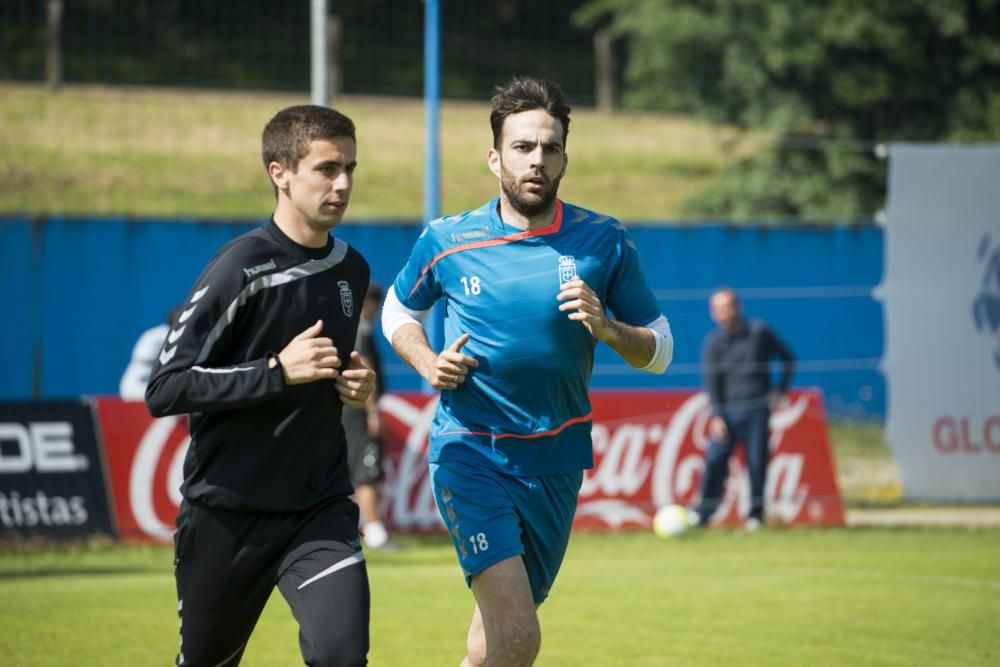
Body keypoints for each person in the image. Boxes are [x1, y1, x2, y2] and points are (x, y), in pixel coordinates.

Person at [381, 76, 673, 666]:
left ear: (565, 156)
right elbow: (397, 309)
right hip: (471, 453)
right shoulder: (447, 238)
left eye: (550, 147)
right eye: (522, 147)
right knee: (519, 638)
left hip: (558, 462)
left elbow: (662, 348)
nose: (536, 160)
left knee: (490, 644)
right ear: (495, 158)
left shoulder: (604, 240)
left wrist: (610, 329)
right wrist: (427, 360)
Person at [145, 105, 375, 667]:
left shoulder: (353, 270)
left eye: (349, 167)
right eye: (326, 168)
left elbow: (330, 367)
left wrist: (356, 382)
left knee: (342, 658)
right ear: (281, 173)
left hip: (319, 508)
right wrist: (276, 372)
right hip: (227, 515)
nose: (342, 183)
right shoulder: (239, 267)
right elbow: (166, 388)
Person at [691, 287, 795, 531]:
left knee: (757, 462)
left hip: (757, 411)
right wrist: (717, 415)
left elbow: (787, 358)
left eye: (725, 307)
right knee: (715, 461)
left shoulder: (759, 332)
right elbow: (711, 381)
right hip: (727, 413)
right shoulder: (713, 342)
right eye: (716, 308)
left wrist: (780, 390)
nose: (720, 313)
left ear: (737, 307)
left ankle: (755, 516)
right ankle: (703, 514)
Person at [341, 282, 398, 550]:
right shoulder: (361, 331)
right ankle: (375, 533)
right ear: (370, 304)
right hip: (360, 411)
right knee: (368, 469)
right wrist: (373, 412)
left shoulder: (343, 329)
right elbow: (365, 368)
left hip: (346, 410)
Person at [119, 305, 180, 400]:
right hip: (137, 384)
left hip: (147, 383)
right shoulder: (160, 335)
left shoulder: (164, 333)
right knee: (170, 398)